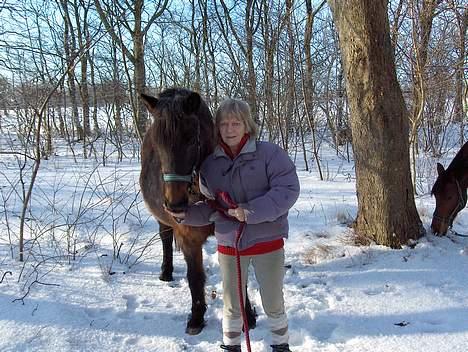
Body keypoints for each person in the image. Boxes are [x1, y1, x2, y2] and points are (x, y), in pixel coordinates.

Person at [166, 98, 300, 352]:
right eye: (224, 124)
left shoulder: (270, 154)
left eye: (236, 123)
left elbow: (288, 190)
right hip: (230, 244)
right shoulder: (209, 166)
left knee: (272, 301)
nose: (230, 129)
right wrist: (186, 216)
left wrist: (250, 211)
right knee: (232, 303)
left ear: (247, 125)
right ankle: (231, 346)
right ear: (217, 128)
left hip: (266, 242)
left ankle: (281, 346)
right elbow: (211, 207)